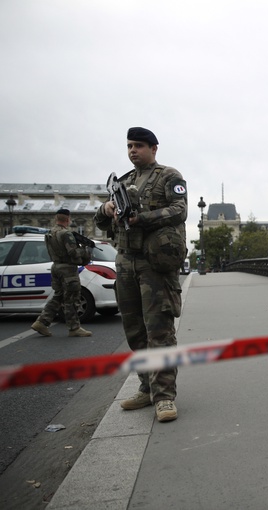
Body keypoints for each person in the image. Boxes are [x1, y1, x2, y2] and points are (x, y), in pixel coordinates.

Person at [94, 127, 188, 423]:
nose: (132, 151)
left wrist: (142, 217)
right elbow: (101, 222)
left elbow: (180, 209)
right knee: (134, 331)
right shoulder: (123, 182)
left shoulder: (168, 176)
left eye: (138, 146)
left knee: (159, 331)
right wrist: (106, 208)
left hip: (154, 265)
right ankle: (147, 387)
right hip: (125, 262)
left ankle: (164, 397)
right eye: (129, 146)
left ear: (153, 148)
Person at [31, 209, 93, 338]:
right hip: (68, 269)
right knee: (72, 298)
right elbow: (73, 252)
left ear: (56, 219)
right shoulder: (66, 234)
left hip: (56, 267)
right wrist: (84, 250)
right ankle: (74, 328)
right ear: (67, 219)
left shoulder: (50, 233)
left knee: (58, 296)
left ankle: (42, 322)